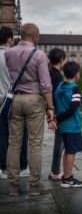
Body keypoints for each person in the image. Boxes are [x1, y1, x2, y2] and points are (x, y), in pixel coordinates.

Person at [6, 23, 55, 196]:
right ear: (35, 35)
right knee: (35, 144)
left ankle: (13, 186)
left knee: (14, 143)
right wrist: (50, 107)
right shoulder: (39, 54)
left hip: (15, 99)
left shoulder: (8, 53)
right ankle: (34, 186)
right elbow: (45, 84)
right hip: (34, 100)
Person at [0, 26, 29, 180]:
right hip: (12, 100)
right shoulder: (13, 56)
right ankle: (22, 164)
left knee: (2, 134)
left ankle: (4, 166)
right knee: (21, 133)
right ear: (10, 39)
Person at [54, 61, 82, 188]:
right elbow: (73, 109)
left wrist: (57, 118)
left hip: (63, 127)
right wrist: (59, 118)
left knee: (68, 151)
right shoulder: (75, 89)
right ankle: (67, 179)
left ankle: (67, 177)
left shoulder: (60, 86)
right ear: (77, 74)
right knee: (71, 152)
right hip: (72, 125)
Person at [48, 48, 66, 181]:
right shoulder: (58, 76)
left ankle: (54, 170)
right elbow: (57, 95)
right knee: (60, 142)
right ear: (61, 60)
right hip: (56, 111)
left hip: (50, 109)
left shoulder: (48, 72)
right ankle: (55, 172)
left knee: (59, 141)